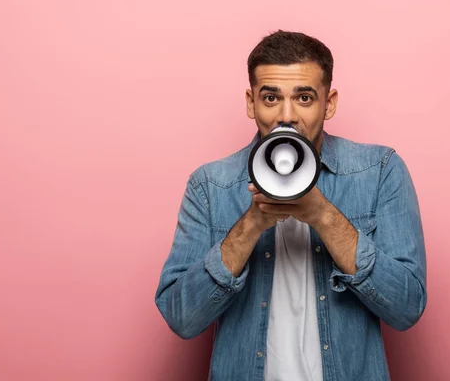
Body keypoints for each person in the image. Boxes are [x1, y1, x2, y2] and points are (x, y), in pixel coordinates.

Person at [154, 30, 427, 381]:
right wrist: (251, 223)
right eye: (271, 98)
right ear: (251, 103)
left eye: (304, 98)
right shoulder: (210, 185)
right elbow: (181, 317)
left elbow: (407, 307)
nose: (287, 116)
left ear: (328, 103)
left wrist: (323, 215)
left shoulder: (379, 171)